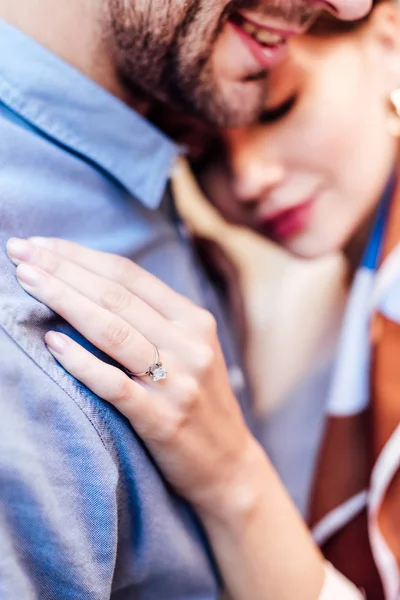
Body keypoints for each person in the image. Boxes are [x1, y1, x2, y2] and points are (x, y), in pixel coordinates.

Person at [6, 0, 400, 597]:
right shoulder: (269, 307)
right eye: (201, 158)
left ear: (389, 43)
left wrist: (232, 478)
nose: (248, 179)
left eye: (280, 110)